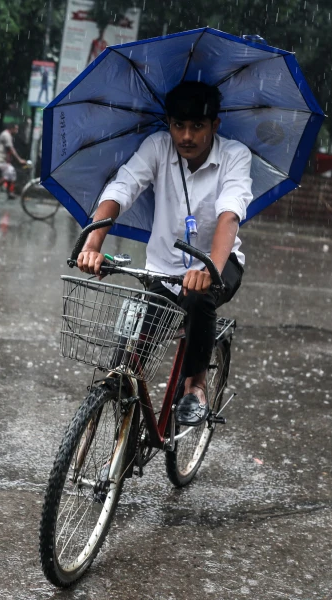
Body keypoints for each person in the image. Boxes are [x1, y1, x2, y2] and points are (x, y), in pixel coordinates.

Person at [76, 81, 251, 427]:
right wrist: (92, 245)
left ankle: (195, 385)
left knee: (200, 299)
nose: (186, 136)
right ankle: (116, 410)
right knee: (133, 347)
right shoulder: (157, 146)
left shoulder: (235, 156)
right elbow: (123, 188)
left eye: (197, 126)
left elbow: (229, 214)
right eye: (178, 126)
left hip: (219, 263)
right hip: (164, 269)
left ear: (215, 126)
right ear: (168, 124)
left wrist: (210, 270)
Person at [0, 123, 26, 197]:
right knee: (9, 173)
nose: (17, 131)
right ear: (11, 128)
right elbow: (11, 149)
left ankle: (10, 192)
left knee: (12, 173)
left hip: (1, 159)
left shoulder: (8, 135)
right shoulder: (6, 135)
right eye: (16, 129)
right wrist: (19, 160)